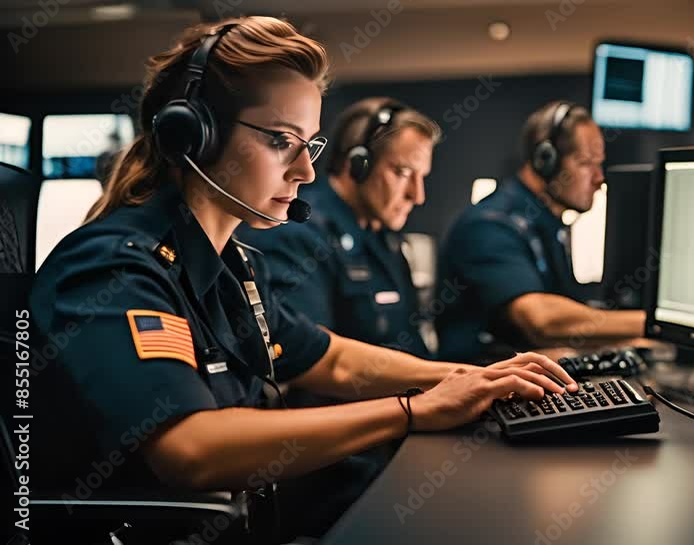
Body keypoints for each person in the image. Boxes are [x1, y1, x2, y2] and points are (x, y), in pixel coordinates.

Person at [29, 17, 574, 543]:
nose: (306, 171)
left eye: (307, 144)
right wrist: (412, 410)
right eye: (280, 141)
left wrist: (468, 378)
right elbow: (190, 448)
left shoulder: (232, 266)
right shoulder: (115, 269)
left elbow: (331, 359)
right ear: (194, 136)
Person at [435, 101, 646, 362]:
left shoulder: (548, 224)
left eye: (599, 164)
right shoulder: (490, 225)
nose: (599, 178)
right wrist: (654, 323)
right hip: (476, 381)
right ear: (546, 160)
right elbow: (542, 320)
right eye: (586, 163)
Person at [238, 97, 438, 360]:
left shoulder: (384, 238)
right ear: (358, 164)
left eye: (421, 177)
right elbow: (311, 361)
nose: (417, 195)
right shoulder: (297, 233)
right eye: (402, 172)